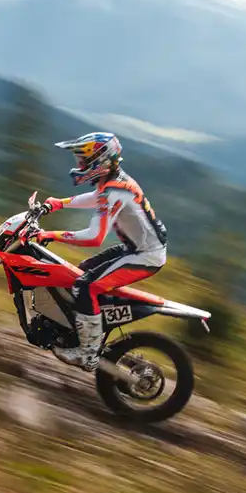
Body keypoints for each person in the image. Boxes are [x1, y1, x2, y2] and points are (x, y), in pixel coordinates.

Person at [22, 132, 167, 371]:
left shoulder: (116, 190)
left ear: (100, 161)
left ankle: (87, 354)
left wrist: (51, 234)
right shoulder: (111, 183)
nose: (79, 165)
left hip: (146, 256)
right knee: (77, 274)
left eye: (83, 160)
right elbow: (95, 198)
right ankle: (78, 330)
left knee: (85, 286)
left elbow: (94, 237)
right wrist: (59, 203)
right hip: (134, 248)